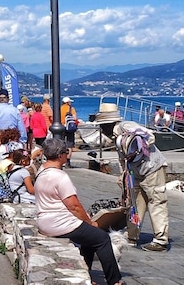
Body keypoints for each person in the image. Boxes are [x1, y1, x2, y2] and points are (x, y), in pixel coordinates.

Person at [35, 137, 124, 285]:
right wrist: (90, 222)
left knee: (90, 239)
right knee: (102, 239)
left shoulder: (41, 170)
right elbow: (74, 207)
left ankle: (86, 273)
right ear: (60, 155)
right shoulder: (60, 177)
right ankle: (114, 280)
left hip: (44, 221)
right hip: (59, 223)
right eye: (66, 152)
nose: (68, 154)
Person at [111, 121, 170, 252]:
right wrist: (123, 175)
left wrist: (140, 145)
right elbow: (122, 158)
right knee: (134, 202)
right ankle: (132, 235)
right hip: (134, 170)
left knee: (157, 201)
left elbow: (150, 136)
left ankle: (161, 240)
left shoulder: (126, 126)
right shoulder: (115, 136)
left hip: (152, 168)